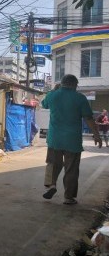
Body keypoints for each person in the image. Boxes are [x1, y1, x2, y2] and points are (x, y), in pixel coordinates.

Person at [41, 74, 102, 205]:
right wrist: (96, 135)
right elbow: (89, 118)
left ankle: (51, 186)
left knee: (52, 164)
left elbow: (44, 104)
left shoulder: (53, 95)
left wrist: (54, 90)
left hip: (54, 139)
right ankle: (68, 197)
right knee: (72, 169)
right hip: (72, 140)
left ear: (62, 84)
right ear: (75, 85)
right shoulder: (80, 98)